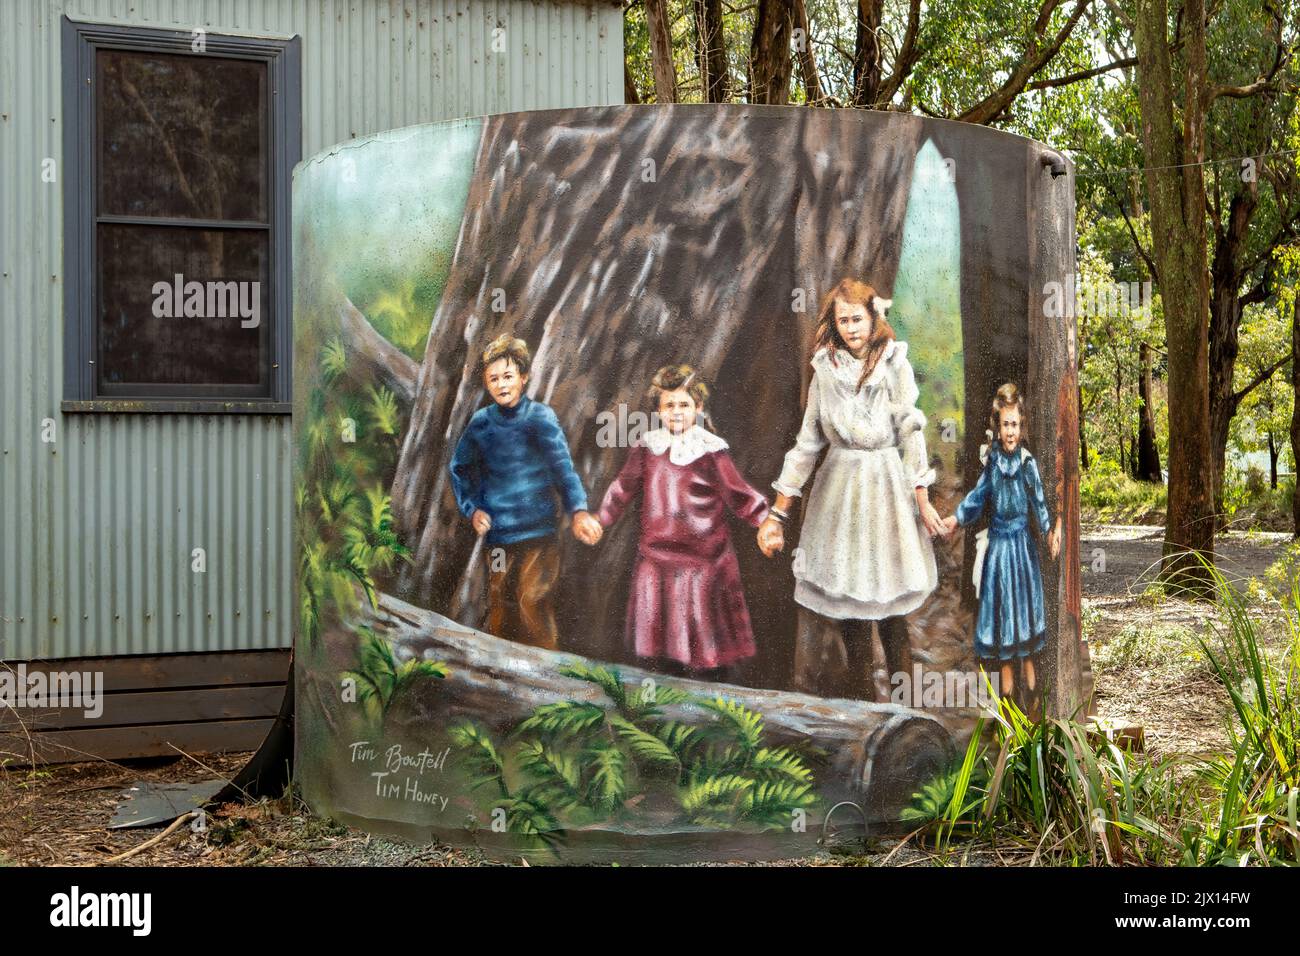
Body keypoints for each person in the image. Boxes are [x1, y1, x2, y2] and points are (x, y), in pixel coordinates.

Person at [758, 277, 945, 701]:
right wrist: (778, 512)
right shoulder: (825, 368)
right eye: (843, 320)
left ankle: (905, 709)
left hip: (885, 488)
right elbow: (808, 443)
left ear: (873, 317)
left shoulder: (894, 362)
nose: (851, 328)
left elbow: (910, 431)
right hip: (840, 490)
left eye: (857, 319)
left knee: (891, 608)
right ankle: (864, 707)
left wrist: (921, 498)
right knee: (851, 606)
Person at [586, 365, 769, 680]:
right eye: (669, 405)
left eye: (684, 405)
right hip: (657, 560)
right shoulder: (648, 446)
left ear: (698, 408)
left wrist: (766, 521)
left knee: (705, 654)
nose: (676, 412)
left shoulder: (711, 450)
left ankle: (708, 706)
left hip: (703, 563)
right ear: (658, 410)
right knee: (661, 652)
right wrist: (601, 519)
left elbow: (739, 493)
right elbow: (622, 488)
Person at [448, 332, 602, 649]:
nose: (502, 384)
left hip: (540, 533)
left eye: (508, 376)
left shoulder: (541, 418)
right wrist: (472, 509)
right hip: (499, 536)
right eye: (494, 379)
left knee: (532, 601)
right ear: (485, 383)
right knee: (499, 603)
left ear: (524, 376)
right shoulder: (481, 423)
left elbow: (563, 468)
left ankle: (544, 675)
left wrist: (579, 512)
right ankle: (499, 675)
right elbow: (460, 468)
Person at [942, 383, 1060, 707]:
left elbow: (1039, 503)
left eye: (1015, 425)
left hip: (1021, 550)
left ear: (1022, 427)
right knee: (1003, 621)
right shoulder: (993, 462)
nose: (1010, 432)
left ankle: (1034, 696)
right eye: (1005, 425)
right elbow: (978, 497)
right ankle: (1009, 706)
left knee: (1023, 618)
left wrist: (1050, 530)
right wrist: (955, 519)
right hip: (999, 551)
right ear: (998, 427)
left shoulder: (1026, 463)